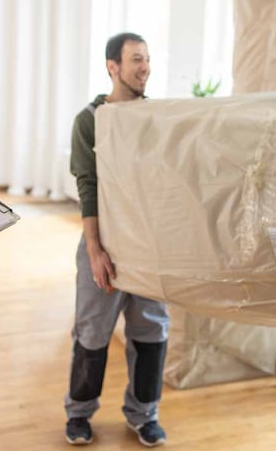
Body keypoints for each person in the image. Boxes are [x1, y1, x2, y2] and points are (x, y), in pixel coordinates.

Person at [64, 32, 169, 447]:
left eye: (147, 60)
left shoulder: (158, 118)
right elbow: (87, 185)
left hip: (149, 247)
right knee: (92, 335)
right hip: (104, 243)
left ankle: (144, 415)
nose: (145, 67)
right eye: (136, 60)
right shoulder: (90, 120)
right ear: (113, 66)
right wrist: (94, 249)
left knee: (151, 335)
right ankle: (78, 414)